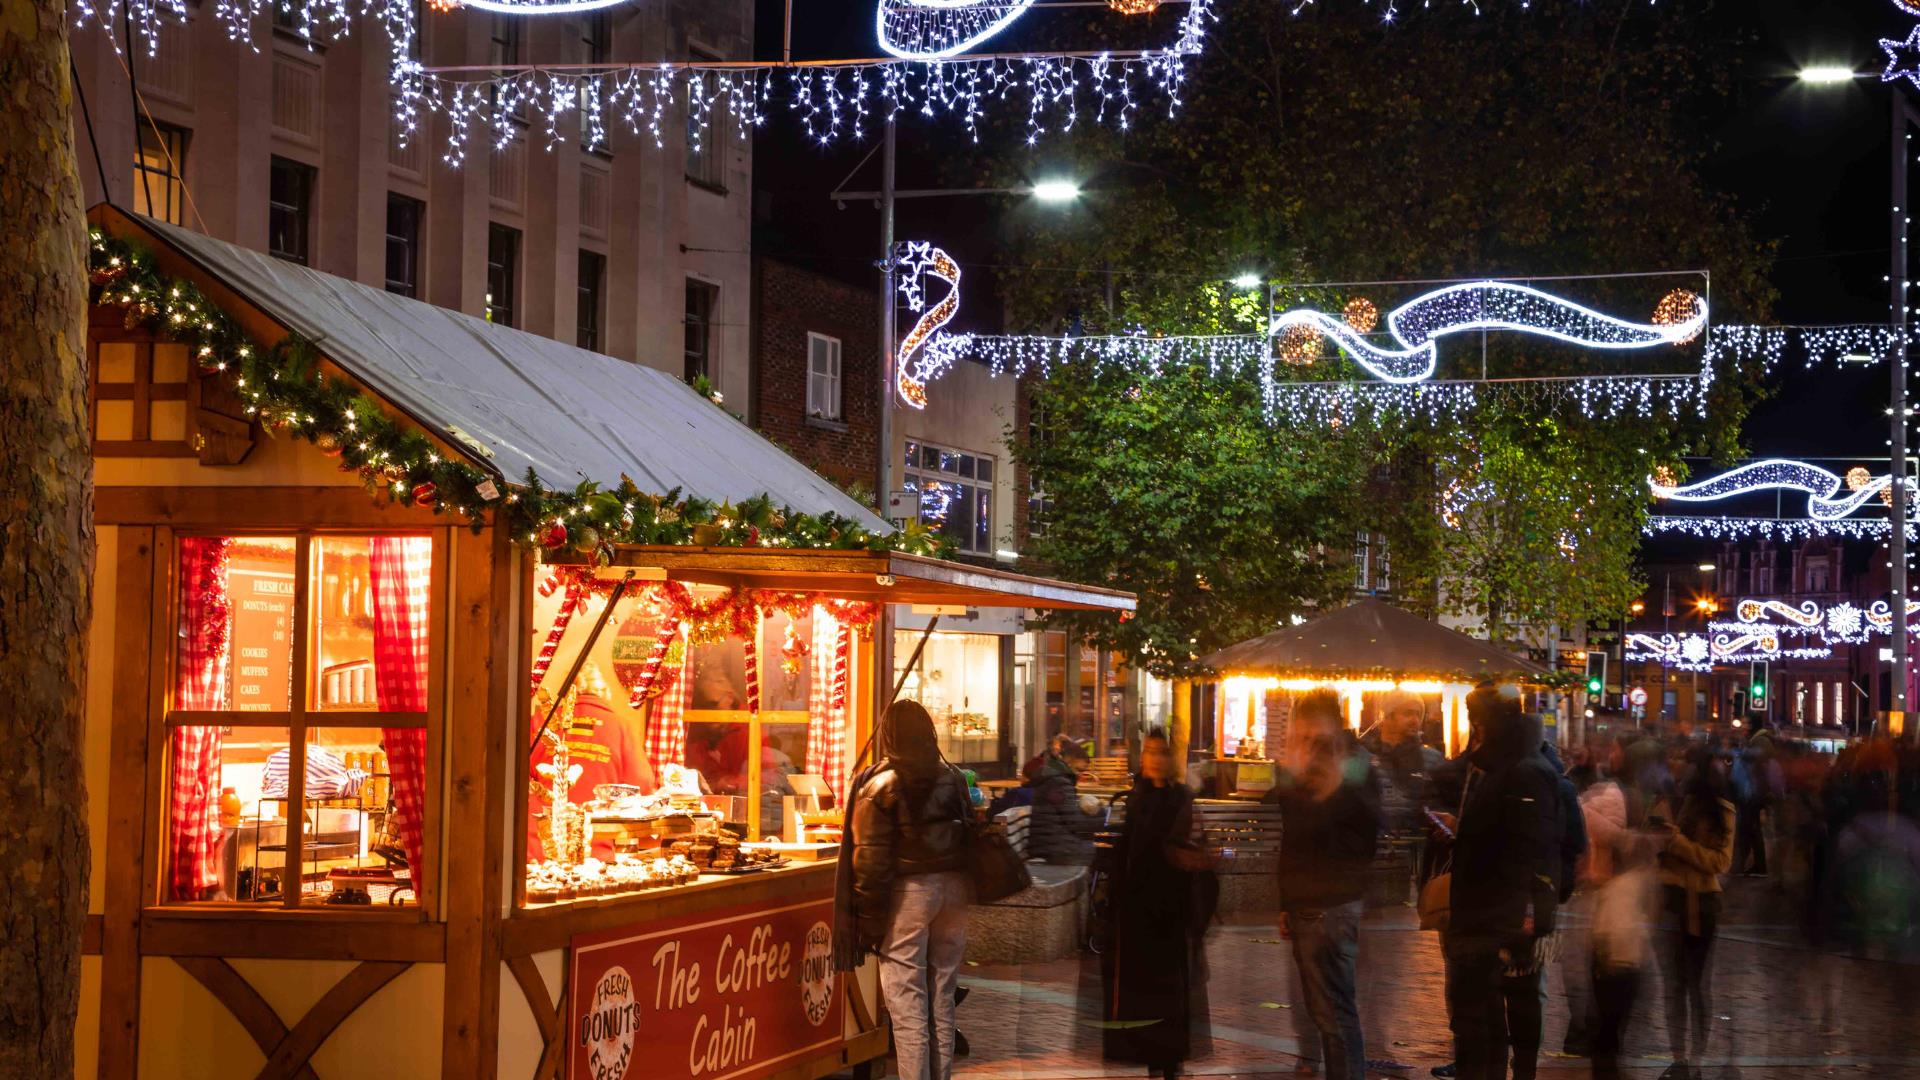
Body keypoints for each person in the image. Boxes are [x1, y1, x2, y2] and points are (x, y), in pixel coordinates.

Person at [844, 701, 974, 1080]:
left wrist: (867, 921)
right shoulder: (951, 775)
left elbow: (869, 861)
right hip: (953, 889)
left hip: (909, 893)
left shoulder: (881, 782)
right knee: (942, 996)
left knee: (907, 1001)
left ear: (889, 734)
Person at [1442, 686, 1564, 1080]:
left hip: (1495, 920)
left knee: (1485, 1022)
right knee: (1484, 1022)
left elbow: (1531, 850)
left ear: (1482, 724)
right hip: (1491, 916)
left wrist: (1525, 921)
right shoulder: (1504, 767)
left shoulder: (1522, 771)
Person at [1275, 689, 1382, 1080]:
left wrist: (1326, 788)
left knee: (1336, 1012)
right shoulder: (1306, 767)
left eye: (1311, 731)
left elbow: (1362, 837)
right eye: (1300, 733)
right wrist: (1286, 902)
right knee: (1324, 1013)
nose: (1304, 739)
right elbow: (1293, 833)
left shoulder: (1353, 766)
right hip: (1308, 901)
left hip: (1334, 904)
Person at [1099, 729, 1216, 1079]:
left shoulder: (1180, 798)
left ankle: (1171, 1060)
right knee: (1146, 991)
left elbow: (1187, 846)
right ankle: (1155, 1059)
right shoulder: (1136, 797)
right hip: (1138, 911)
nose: (1154, 758)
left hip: (1171, 908)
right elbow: (1129, 851)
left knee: (1171, 989)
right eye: (1149, 752)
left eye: (1161, 752)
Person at [1652, 744, 1735, 1080]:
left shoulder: (1721, 808)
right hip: (1668, 900)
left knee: (1698, 984)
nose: (1676, 764)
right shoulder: (1669, 799)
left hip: (1700, 904)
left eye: (1683, 760)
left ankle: (1697, 1060)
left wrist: (1677, 843)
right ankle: (1679, 1059)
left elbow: (1720, 861)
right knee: (1673, 984)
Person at [1027, 733, 1096, 864]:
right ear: (1069, 762)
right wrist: (1100, 817)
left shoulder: (1054, 777)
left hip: (1048, 844)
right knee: (1099, 851)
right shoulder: (1059, 782)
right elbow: (1074, 821)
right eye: (1079, 770)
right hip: (1052, 849)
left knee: (1093, 846)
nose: (1080, 775)